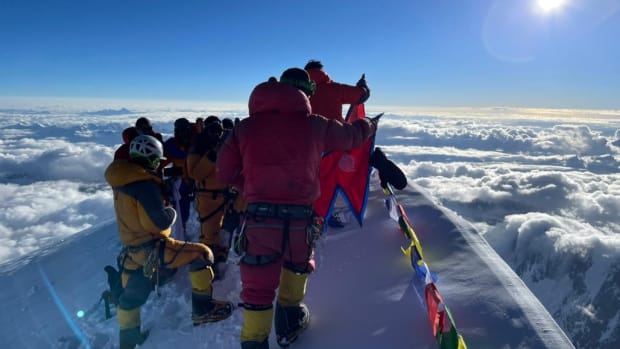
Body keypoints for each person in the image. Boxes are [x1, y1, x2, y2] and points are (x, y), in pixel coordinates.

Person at [216, 68, 377, 349]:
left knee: (257, 287)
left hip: (259, 220)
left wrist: (252, 188)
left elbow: (225, 171)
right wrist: (369, 126)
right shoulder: (314, 124)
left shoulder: (245, 128)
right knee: (296, 268)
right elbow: (351, 137)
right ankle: (289, 322)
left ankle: (254, 342)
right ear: (304, 94)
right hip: (301, 219)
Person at [104, 134, 233, 349]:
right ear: (151, 158)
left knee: (130, 299)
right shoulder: (144, 186)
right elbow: (158, 221)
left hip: (132, 252)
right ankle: (203, 310)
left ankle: (129, 340)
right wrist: (170, 211)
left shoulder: (121, 180)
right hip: (153, 247)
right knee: (202, 254)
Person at [303, 59, 371, 228]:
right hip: (333, 144)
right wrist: (363, 85)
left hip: (304, 144)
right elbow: (361, 96)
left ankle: (305, 211)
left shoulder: (300, 90)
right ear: (322, 71)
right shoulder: (333, 88)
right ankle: (325, 213)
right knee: (327, 180)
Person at [187, 116, 231, 277]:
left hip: (223, 195)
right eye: (212, 129)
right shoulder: (199, 147)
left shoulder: (223, 146)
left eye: (218, 130)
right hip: (207, 199)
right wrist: (213, 154)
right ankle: (206, 268)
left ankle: (216, 257)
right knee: (209, 234)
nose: (216, 133)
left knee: (219, 231)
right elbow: (196, 173)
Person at [161, 118, 197, 238]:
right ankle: (182, 229)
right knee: (181, 207)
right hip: (183, 182)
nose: (183, 133)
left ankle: (184, 230)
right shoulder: (172, 145)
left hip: (196, 179)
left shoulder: (196, 141)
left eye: (185, 130)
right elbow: (161, 162)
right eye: (180, 130)